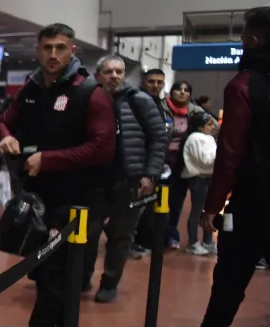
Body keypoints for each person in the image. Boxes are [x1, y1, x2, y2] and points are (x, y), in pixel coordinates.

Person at [0, 23, 115, 327]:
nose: (53, 54)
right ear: (37, 49)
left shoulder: (90, 93)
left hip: (77, 199)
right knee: (49, 271)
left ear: (72, 50)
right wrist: (5, 138)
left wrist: (50, 159)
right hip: (36, 197)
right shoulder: (31, 89)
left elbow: (102, 148)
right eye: (47, 47)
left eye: (60, 47)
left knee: (52, 272)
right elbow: (3, 120)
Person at [161, 7, 270, 327]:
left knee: (231, 274)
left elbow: (231, 153)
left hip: (252, 202)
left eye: (242, 38)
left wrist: (212, 206)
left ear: (253, 40)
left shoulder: (243, 86)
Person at [83, 55, 166, 303]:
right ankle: (82, 276)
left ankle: (109, 282)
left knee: (121, 234)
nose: (115, 76)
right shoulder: (88, 100)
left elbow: (158, 139)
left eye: (119, 72)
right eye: (109, 72)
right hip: (95, 179)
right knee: (87, 232)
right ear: (98, 76)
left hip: (128, 178)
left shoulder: (139, 101)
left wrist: (149, 174)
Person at [131, 67, 172, 257]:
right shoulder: (134, 103)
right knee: (130, 209)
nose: (155, 85)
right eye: (151, 81)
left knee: (143, 209)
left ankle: (136, 240)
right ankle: (126, 244)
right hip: (136, 164)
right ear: (143, 82)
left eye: (159, 82)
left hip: (154, 164)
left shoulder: (162, 106)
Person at [163, 79, 205, 249]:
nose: (182, 92)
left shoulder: (195, 111)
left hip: (182, 161)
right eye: (178, 89)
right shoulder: (161, 108)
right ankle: (153, 234)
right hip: (163, 159)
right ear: (171, 92)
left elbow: (213, 125)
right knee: (156, 201)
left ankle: (171, 234)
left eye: (186, 90)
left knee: (176, 200)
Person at [180, 110, 219, 255]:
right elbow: (205, 160)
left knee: (208, 211)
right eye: (209, 125)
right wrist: (219, 153)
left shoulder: (208, 138)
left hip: (208, 178)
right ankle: (192, 242)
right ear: (200, 127)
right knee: (197, 211)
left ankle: (208, 241)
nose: (213, 127)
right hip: (198, 178)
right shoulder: (196, 138)